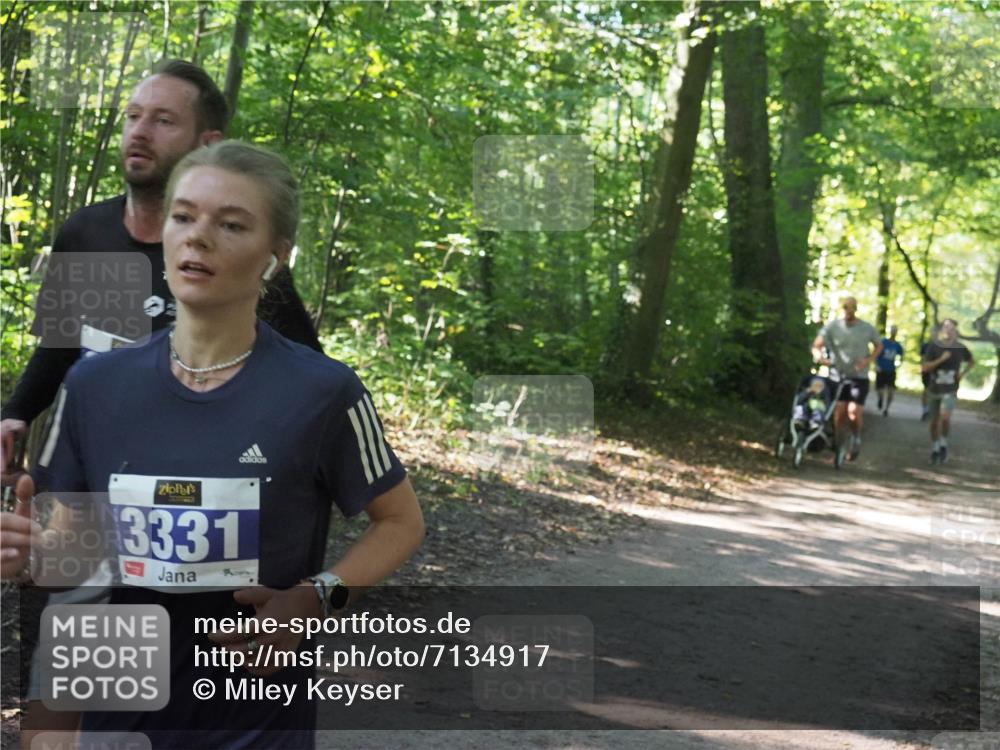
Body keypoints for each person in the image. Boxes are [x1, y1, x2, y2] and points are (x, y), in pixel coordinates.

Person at [1, 141, 425, 749]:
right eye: (183, 216)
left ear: (275, 256)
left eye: (230, 225)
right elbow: (77, 557)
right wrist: (32, 560)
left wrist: (317, 596)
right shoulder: (94, 386)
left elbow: (401, 522)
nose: (198, 238)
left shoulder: (323, 392)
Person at [1, 59, 321, 475]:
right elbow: (61, 346)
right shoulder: (87, 233)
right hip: (83, 472)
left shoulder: (231, 266)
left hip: (188, 488)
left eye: (163, 120)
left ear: (207, 143)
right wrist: (15, 415)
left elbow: (305, 382)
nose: (140, 131)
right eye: (133, 116)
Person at [811, 297, 883, 461]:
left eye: (851, 308)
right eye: (845, 308)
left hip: (859, 377)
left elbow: (879, 345)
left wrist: (867, 361)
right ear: (842, 309)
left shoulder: (866, 328)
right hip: (837, 375)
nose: (848, 311)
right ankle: (838, 443)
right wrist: (820, 357)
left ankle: (856, 437)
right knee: (839, 412)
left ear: (856, 309)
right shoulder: (833, 326)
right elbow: (817, 345)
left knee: (854, 412)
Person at [921, 318, 975, 465]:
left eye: (951, 328)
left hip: (950, 389)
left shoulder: (960, 348)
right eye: (945, 327)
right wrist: (941, 360)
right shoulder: (934, 347)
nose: (948, 330)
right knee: (934, 422)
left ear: (955, 330)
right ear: (942, 330)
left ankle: (943, 444)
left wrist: (962, 374)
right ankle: (935, 447)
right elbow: (925, 368)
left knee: (945, 417)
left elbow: (972, 361)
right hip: (934, 389)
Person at [875, 325, 904, 417]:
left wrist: (899, 363)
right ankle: (880, 399)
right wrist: (876, 365)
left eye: (895, 330)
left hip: (891, 371)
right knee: (880, 390)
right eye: (892, 330)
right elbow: (876, 353)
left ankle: (886, 409)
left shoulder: (897, 345)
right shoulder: (883, 342)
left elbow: (902, 355)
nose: (893, 332)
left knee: (891, 391)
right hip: (881, 369)